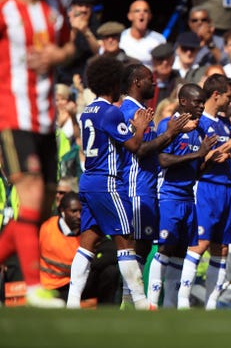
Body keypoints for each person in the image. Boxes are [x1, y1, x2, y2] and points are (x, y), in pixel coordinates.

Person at [0, 0, 76, 308]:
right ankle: (34, 288)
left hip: (46, 117)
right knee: (28, 197)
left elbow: (69, 44)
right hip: (12, 116)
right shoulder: (3, 7)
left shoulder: (53, 4)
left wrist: (55, 57)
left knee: (39, 208)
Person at [66, 56, 153, 310]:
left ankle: (72, 303)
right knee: (126, 240)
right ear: (113, 82)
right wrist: (139, 126)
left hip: (88, 181)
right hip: (108, 182)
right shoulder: (111, 112)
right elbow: (135, 146)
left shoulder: (87, 112)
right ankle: (140, 301)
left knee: (87, 243)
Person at [176, 74, 231, 310]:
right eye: (229, 95)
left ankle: (211, 305)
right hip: (206, 187)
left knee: (222, 247)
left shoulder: (226, 123)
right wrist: (230, 144)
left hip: (226, 189)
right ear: (217, 95)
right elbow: (204, 159)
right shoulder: (199, 123)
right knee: (201, 243)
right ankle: (182, 301)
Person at [119, 63, 191, 307]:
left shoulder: (142, 110)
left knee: (143, 246)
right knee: (135, 248)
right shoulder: (130, 111)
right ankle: (131, 303)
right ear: (137, 82)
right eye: (150, 79)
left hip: (148, 188)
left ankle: (132, 302)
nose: (155, 83)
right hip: (137, 187)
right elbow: (139, 151)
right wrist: (169, 133)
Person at [147, 84, 216, 309]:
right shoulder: (169, 125)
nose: (201, 106)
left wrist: (207, 160)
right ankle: (151, 304)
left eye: (203, 102)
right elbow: (162, 160)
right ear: (184, 101)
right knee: (165, 249)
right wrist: (198, 154)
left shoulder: (198, 130)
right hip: (168, 196)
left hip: (188, 198)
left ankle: (170, 306)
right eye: (197, 102)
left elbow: (195, 169)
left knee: (179, 253)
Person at [40, 192, 118, 305]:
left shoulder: (88, 230)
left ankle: (106, 313)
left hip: (79, 283)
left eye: (81, 211)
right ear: (62, 211)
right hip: (54, 287)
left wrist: (89, 263)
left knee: (110, 272)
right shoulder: (46, 229)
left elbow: (111, 250)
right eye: (74, 211)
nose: (79, 216)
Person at [119, 0, 166, 69]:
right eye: (137, 11)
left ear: (150, 16)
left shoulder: (159, 40)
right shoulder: (120, 38)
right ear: (130, 16)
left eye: (145, 11)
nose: (142, 14)